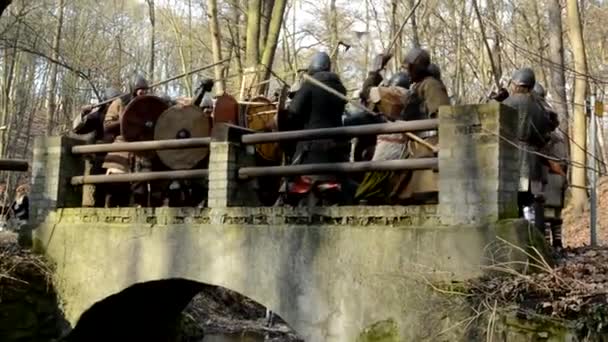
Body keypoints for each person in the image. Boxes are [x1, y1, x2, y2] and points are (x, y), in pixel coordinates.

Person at [281, 52, 350, 204]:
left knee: (293, 177)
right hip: (336, 147)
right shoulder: (340, 88)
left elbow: (293, 112)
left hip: (312, 148)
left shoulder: (310, 85)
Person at [388, 47, 450, 203]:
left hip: (428, 145)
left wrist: (443, 142)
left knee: (425, 193)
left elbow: (443, 114)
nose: (406, 71)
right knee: (404, 193)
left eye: (408, 67)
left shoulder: (431, 85)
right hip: (415, 145)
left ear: (415, 67)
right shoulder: (416, 87)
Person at [503, 68, 554, 232]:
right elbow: (547, 135)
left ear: (516, 83)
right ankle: (538, 242)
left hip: (514, 159)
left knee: (516, 201)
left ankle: (523, 244)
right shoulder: (540, 107)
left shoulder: (509, 103)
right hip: (534, 160)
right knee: (534, 202)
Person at [102, 74, 150, 207]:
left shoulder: (149, 104)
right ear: (133, 89)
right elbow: (107, 126)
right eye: (141, 89)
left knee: (141, 187)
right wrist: (125, 120)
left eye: (146, 90)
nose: (143, 92)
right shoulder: (120, 103)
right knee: (115, 185)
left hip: (142, 147)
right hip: (121, 146)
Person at [533, 83, 567, 249]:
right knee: (555, 214)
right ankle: (558, 244)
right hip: (559, 171)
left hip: (549, 171)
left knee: (546, 213)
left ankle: (549, 246)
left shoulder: (539, 116)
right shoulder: (556, 129)